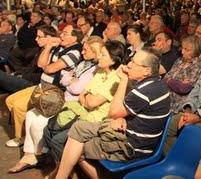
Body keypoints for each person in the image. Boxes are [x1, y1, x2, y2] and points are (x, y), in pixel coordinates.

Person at [54, 48, 170, 179]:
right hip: (132, 135)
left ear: (147, 70)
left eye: (134, 63)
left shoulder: (144, 91)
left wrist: (123, 80)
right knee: (78, 129)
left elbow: (113, 112)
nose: (129, 65)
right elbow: (133, 113)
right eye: (131, 60)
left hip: (131, 146)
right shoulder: (157, 84)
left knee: (77, 145)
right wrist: (123, 119)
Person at [8, 36, 104, 174]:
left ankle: (41, 154)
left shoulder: (94, 69)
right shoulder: (83, 63)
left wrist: (71, 81)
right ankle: (30, 154)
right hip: (64, 97)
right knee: (31, 114)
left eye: (85, 50)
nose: (82, 52)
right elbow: (64, 79)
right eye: (82, 49)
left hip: (74, 105)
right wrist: (72, 80)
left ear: (95, 52)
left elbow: (77, 89)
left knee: (38, 123)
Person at [45, 40, 128, 178]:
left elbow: (91, 101)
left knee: (58, 140)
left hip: (97, 121)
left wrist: (88, 99)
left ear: (113, 60)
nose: (99, 57)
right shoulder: (100, 71)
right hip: (84, 114)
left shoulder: (116, 79)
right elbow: (84, 95)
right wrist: (88, 99)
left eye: (103, 55)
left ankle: (67, 173)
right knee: (48, 130)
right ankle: (65, 170)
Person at [5, 25, 82, 148]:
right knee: (10, 100)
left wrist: (48, 67)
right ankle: (26, 134)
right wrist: (48, 47)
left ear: (74, 38)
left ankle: (22, 137)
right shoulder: (58, 48)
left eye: (65, 34)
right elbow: (41, 65)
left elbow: (51, 68)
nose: (60, 35)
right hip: (42, 85)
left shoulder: (75, 52)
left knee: (19, 107)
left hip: (53, 91)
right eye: (61, 33)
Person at [164, 35, 201, 113]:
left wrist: (170, 81)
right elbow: (165, 78)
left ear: (195, 51)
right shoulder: (179, 61)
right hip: (166, 100)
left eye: (187, 50)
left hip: (178, 106)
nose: (182, 52)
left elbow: (184, 88)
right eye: (183, 48)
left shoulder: (199, 65)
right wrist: (175, 82)